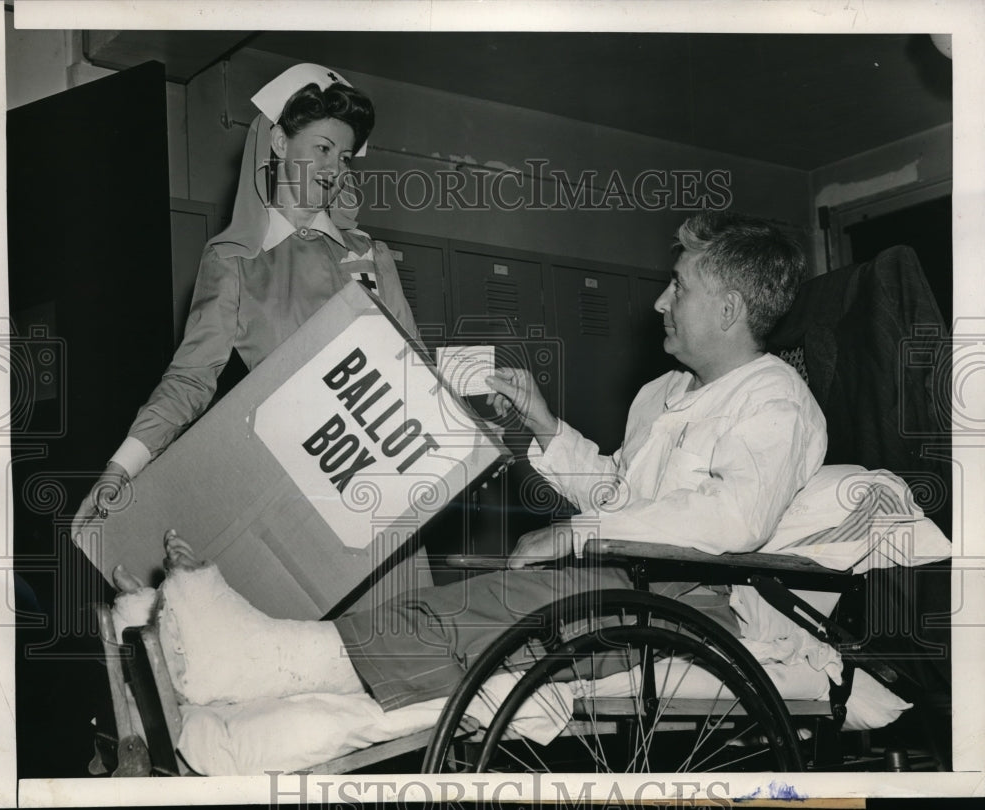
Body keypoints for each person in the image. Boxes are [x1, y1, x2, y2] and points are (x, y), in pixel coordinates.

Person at [115, 211, 828, 715]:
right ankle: (285, 661)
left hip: (701, 602)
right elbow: (619, 492)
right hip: (631, 582)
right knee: (488, 592)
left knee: (524, 601)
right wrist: (545, 428)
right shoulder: (662, 394)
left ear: (731, 309)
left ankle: (271, 658)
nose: (660, 301)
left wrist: (580, 536)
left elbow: (732, 517)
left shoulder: (776, 400)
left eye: (681, 287)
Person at [72, 64, 418, 538]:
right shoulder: (234, 262)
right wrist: (123, 466)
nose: (335, 169)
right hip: (294, 489)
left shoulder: (370, 258)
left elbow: (417, 373)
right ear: (279, 144)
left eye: (345, 157)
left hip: (390, 486)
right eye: (322, 149)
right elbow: (191, 380)